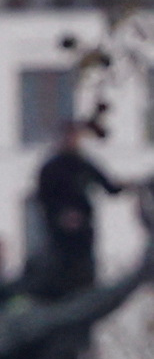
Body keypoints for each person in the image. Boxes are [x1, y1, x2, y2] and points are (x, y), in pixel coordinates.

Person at [31, 118, 128, 298]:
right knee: (63, 273)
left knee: (84, 274)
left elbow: (110, 187)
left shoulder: (83, 164)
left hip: (83, 232)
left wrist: (132, 185)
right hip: (60, 237)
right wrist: (62, 216)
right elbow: (44, 199)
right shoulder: (51, 168)